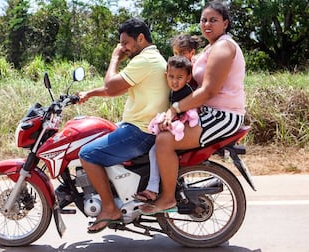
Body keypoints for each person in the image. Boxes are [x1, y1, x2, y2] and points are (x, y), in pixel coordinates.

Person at [139, 0, 246, 215]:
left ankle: (167, 198)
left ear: (225, 23)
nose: (207, 24)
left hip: (223, 116)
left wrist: (175, 109)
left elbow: (208, 91)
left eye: (213, 20)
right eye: (204, 20)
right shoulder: (211, 48)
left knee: (164, 140)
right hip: (207, 112)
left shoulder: (224, 47)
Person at [77, 18, 170, 232]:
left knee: (87, 155)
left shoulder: (144, 61)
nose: (123, 48)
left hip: (139, 132)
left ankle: (110, 208)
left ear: (140, 38)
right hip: (144, 127)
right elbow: (118, 89)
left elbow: (111, 85)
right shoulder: (151, 58)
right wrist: (90, 93)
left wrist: (114, 57)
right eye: (121, 45)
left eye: (126, 43)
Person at [134, 35, 202, 203]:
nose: (175, 80)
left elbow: (186, 109)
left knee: (156, 149)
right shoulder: (178, 82)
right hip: (180, 121)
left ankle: (154, 189)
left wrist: (169, 120)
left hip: (186, 124)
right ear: (166, 75)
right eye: (171, 77)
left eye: (182, 53)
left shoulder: (186, 86)